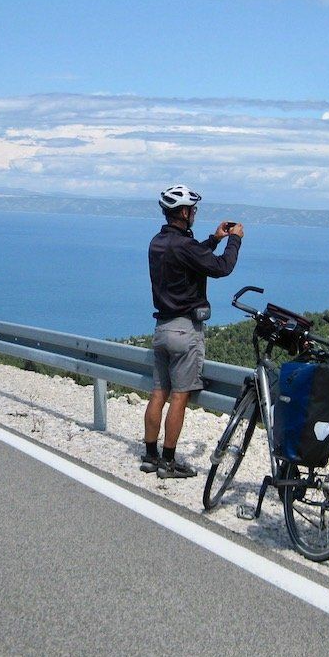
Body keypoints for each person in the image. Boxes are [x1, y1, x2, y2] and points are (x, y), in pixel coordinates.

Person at [142, 185, 243, 479]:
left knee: (158, 393)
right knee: (179, 397)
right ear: (184, 212)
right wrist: (234, 240)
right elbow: (221, 267)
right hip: (185, 331)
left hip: (161, 328)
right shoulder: (185, 246)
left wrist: (214, 239)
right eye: (193, 210)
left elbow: (190, 256)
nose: (195, 214)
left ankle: (150, 456)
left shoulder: (157, 243)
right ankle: (169, 462)